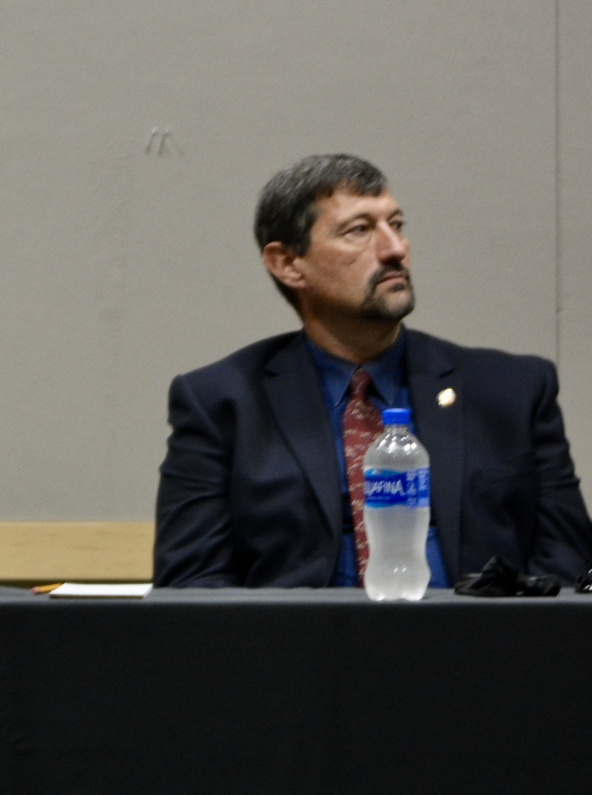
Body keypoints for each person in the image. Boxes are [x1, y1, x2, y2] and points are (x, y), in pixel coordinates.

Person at [154, 154, 592, 588]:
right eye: (359, 231)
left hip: (483, 649)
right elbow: (194, 584)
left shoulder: (512, 391)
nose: (395, 249)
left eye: (396, 225)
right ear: (288, 264)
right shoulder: (221, 402)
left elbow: (567, 566)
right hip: (297, 652)